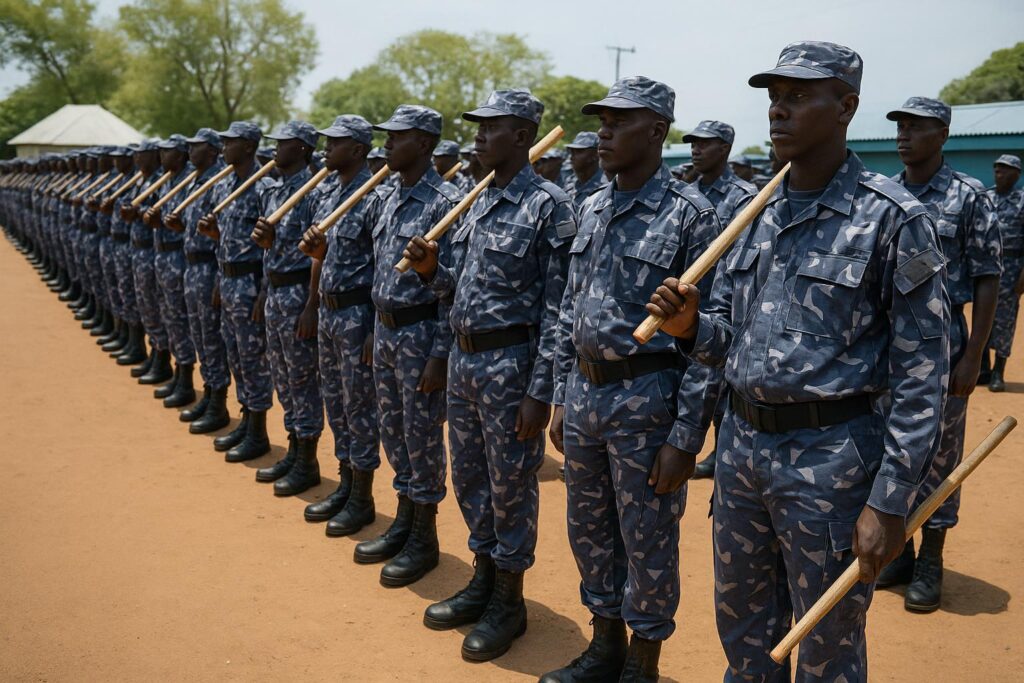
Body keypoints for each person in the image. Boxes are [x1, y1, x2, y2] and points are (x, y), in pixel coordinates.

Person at [646, 42, 950, 681]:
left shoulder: (892, 219)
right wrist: (690, 327)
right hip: (742, 454)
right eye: (773, 98)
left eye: (798, 97)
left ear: (846, 106)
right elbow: (729, 341)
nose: (778, 111)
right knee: (744, 631)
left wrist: (890, 500)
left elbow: (923, 375)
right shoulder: (752, 214)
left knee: (827, 646)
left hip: (831, 467)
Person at [542, 76, 722, 682]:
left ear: (657, 130)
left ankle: (643, 660)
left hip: (649, 402)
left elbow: (710, 339)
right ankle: (604, 645)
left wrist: (685, 437)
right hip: (587, 395)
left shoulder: (694, 217)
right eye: (602, 120)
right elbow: (571, 308)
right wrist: (564, 394)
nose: (604, 131)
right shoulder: (591, 205)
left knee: (646, 540)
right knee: (589, 531)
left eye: (620, 121)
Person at [402, 89, 576, 661]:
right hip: (464, 359)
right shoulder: (478, 199)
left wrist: (540, 391)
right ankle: (482, 574)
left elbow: (557, 309)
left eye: (490, 128)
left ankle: (509, 597)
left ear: (523, 136)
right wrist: (433, 272)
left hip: (511, 367)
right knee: (471, 479)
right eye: (475, 128)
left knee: (511, 488)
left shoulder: (548, 206)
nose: (478, 136)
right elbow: (462, 290)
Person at [876, 96, 1001, 613]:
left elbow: (988, 278)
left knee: (941, 453)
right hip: (886, 346)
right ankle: (900, 551)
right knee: (891, 447)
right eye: (900, 126)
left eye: (916, 127)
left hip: (943, 345)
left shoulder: (969, 196)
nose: (904, 135)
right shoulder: (886, 195)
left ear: (943, 135)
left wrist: (974, 357)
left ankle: (932, 558)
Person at [351, 105, 458, 588]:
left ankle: (425, 537)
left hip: (421, 335)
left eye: (399, 137)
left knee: (421, 437)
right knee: (393, 430)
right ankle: (403, 518)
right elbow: (378, 270)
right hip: (388, 330)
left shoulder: (447, 202)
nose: (388, 144)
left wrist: (440, 354)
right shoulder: (386, 196)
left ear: (426, 143)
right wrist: (377, 324)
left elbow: (452, 290)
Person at [297, 115, 383, 536]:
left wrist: (374, 328)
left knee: (359, 407)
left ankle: (363, 497)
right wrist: (312, 303)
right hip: (329, 311)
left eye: (336, 142)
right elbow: (318, 257)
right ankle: (346, 483)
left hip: (358, 315)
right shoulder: (327, 190)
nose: (326, 148)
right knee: (336, 403)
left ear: (359, 149)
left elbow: (384, 268)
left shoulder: (374, 197)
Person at [251, 121, 325, 496]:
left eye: (284, 144)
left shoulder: (314, 192)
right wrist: (265, 288)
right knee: (282, 376)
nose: (276, 149)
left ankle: (308, 460)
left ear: (302, 148)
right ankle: (294, 449)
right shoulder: (274, 190)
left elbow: (318, 256)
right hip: (277, 292)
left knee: (302, 380)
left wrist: (312, 304)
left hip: (299, 294)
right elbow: (272, 251)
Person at [681, 120, 757, 480]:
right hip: (688, 311)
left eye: (704, 144)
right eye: (693, 143)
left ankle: (720, 450)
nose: (696, 149)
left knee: (723, 385)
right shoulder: (686, 194)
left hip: (726, 302)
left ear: (724, 148)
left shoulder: (744, 197)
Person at [198, 121, 275, 462]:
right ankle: (246, 419)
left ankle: (258, 431)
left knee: (253, 359)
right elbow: (228, 243)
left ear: (248, 146)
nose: (224, 148)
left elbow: (273, 249)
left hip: (250, 283)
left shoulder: (264, 188)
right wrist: (218, 267)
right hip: (228, 279)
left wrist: (263, 292)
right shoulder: (224, 184)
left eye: (230, 142)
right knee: (236, 355)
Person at [165, 128, 232, 433]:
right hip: (192, 266)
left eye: (197, 146)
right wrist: (179, 226)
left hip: (211, 269)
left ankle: (219, 402)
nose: (190, 152)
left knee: (213, 338)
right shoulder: (196, 180)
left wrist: (220, 275)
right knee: (200, 334)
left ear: (213, 150)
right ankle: (208, 392)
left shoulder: (218, 183)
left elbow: (227, 240)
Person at [144, 135, 197, 405]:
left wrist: (176, 226)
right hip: (162, 255)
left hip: (183, 259)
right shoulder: (167, 180)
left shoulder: (192, 181)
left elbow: (193, 226)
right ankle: (174, 370)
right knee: (167, 316)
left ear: (180, 155)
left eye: (168, 152)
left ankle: (187, 380)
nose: (162, 157)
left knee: (181, 320)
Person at [985, 154, 1024, 392]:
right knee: (981, 318)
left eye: (1006, 170)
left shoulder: (1022, 201)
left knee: (1005, 321)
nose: (1000, 173)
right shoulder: (985, 197)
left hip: (1011, 267)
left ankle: (998, 372)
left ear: (1017, 174)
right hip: (984, 266)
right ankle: (983, 368)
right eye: (997, 169)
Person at [566, 131, 606, 208]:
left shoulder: (606, 186)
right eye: (571, 151)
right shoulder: (570, 183)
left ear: (596, 154)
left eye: (579, 151)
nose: (572, 156)